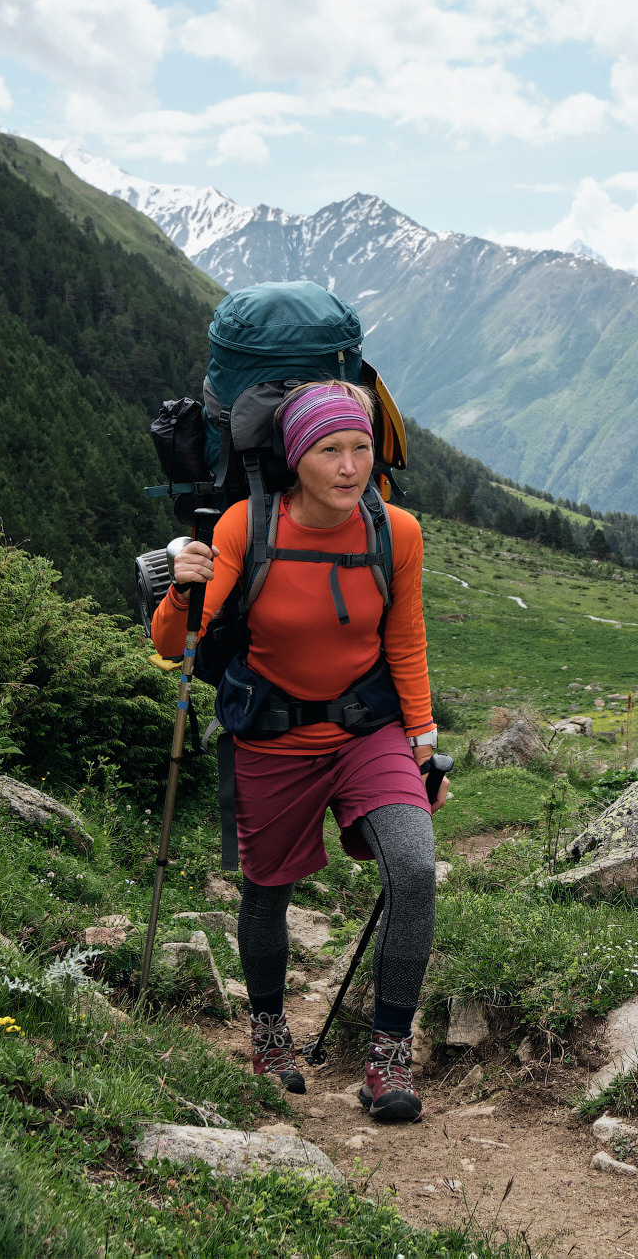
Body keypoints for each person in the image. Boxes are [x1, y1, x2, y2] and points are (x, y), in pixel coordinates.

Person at [151, 380, 449, 1123]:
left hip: (367, 728)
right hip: (272, 733)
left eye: (360, 448)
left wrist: (422, 737)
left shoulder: (397, 533)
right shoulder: (243, 529)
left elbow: (404, 638)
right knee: (266, 887)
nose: (350, 466)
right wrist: (178, 590)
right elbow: (171, 650)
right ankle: (269, 1031)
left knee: (413, 867)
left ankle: (387, 1055)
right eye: (329, 450)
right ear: (295, 459)